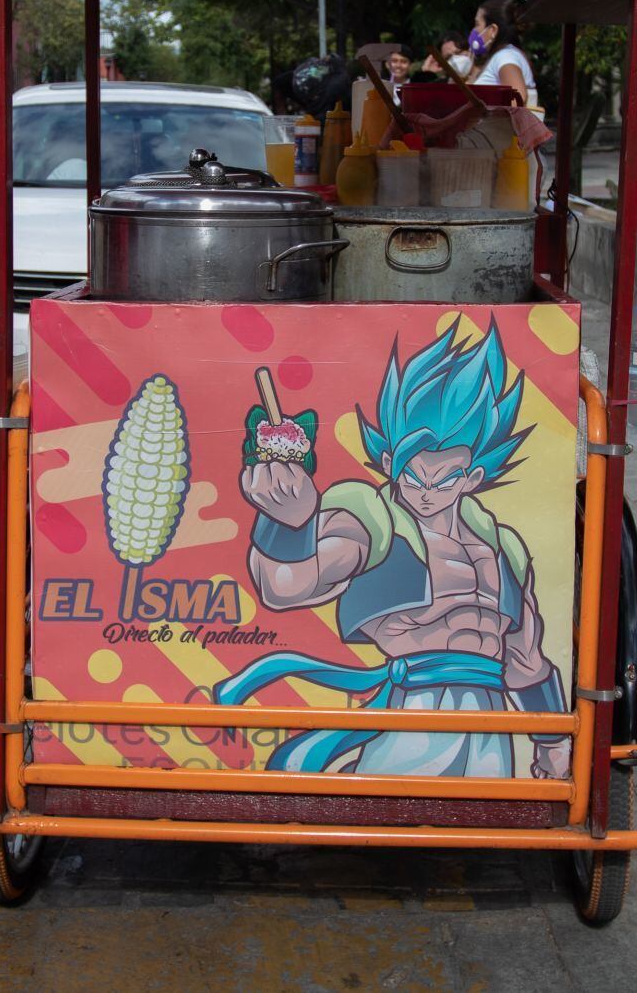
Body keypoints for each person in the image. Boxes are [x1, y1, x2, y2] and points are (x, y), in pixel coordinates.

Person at [218, 326, 567, 779]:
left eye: (444, 479)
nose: (424, 493)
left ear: (473, 477)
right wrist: (291, 525)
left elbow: (526, 655)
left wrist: (553, 738)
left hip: (490, 718)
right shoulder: (373, 518)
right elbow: (287, 587)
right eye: (412, 475)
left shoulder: (505, 548)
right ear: (389, 464)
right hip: (410, 712)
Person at [468, 0, 536, 104]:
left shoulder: (505, 57)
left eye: (477, 24)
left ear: (493, 30)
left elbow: (517, 99)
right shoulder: (503, 56)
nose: (474, 30)